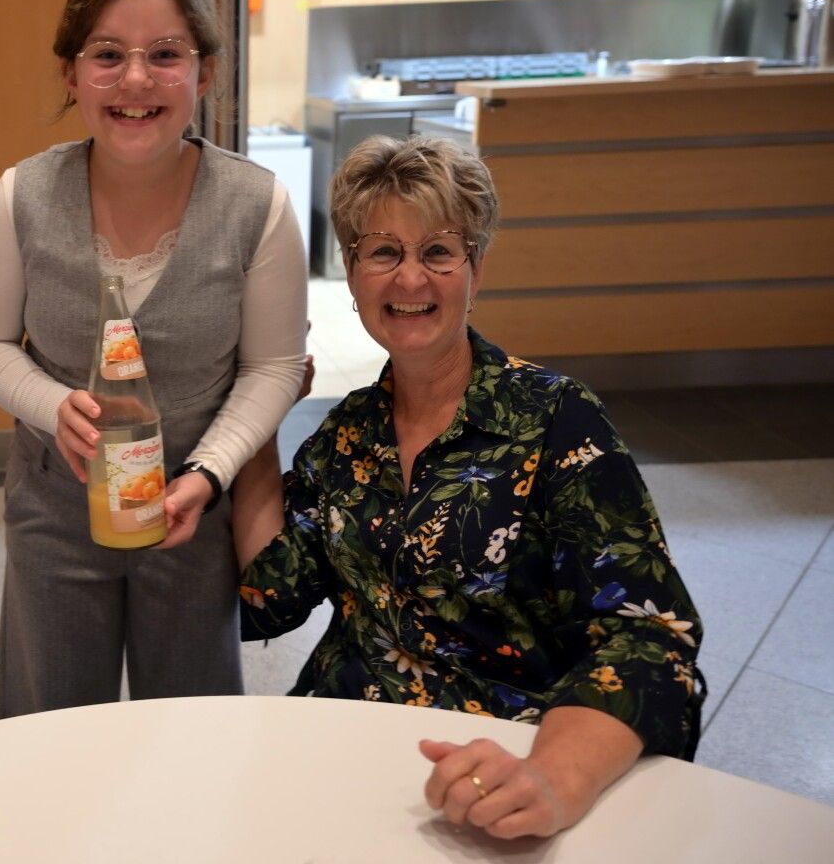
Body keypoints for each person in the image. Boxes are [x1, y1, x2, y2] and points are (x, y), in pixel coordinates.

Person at [235, 134, 705, 840]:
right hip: (340, 743)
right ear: (353, 274)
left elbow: (650, 638)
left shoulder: (554, 420)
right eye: (383, 252)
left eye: (438, 252)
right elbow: (270, 598)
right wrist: (258, 412)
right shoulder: (347, 434)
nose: (410, 280)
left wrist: (556, 776)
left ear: (476, 270)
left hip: (497, 767)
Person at [0, 0, 308, 717]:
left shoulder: (259, 207)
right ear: (71, 73)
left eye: (166, 54)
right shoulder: (20, 198)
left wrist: (208, 474)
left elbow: (275, 366)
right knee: (50, 721)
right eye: (108, 55)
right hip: (55, 512)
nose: (137, 80)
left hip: (192, 512)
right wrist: (52, 407)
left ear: (204, 74)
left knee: (190, 727)